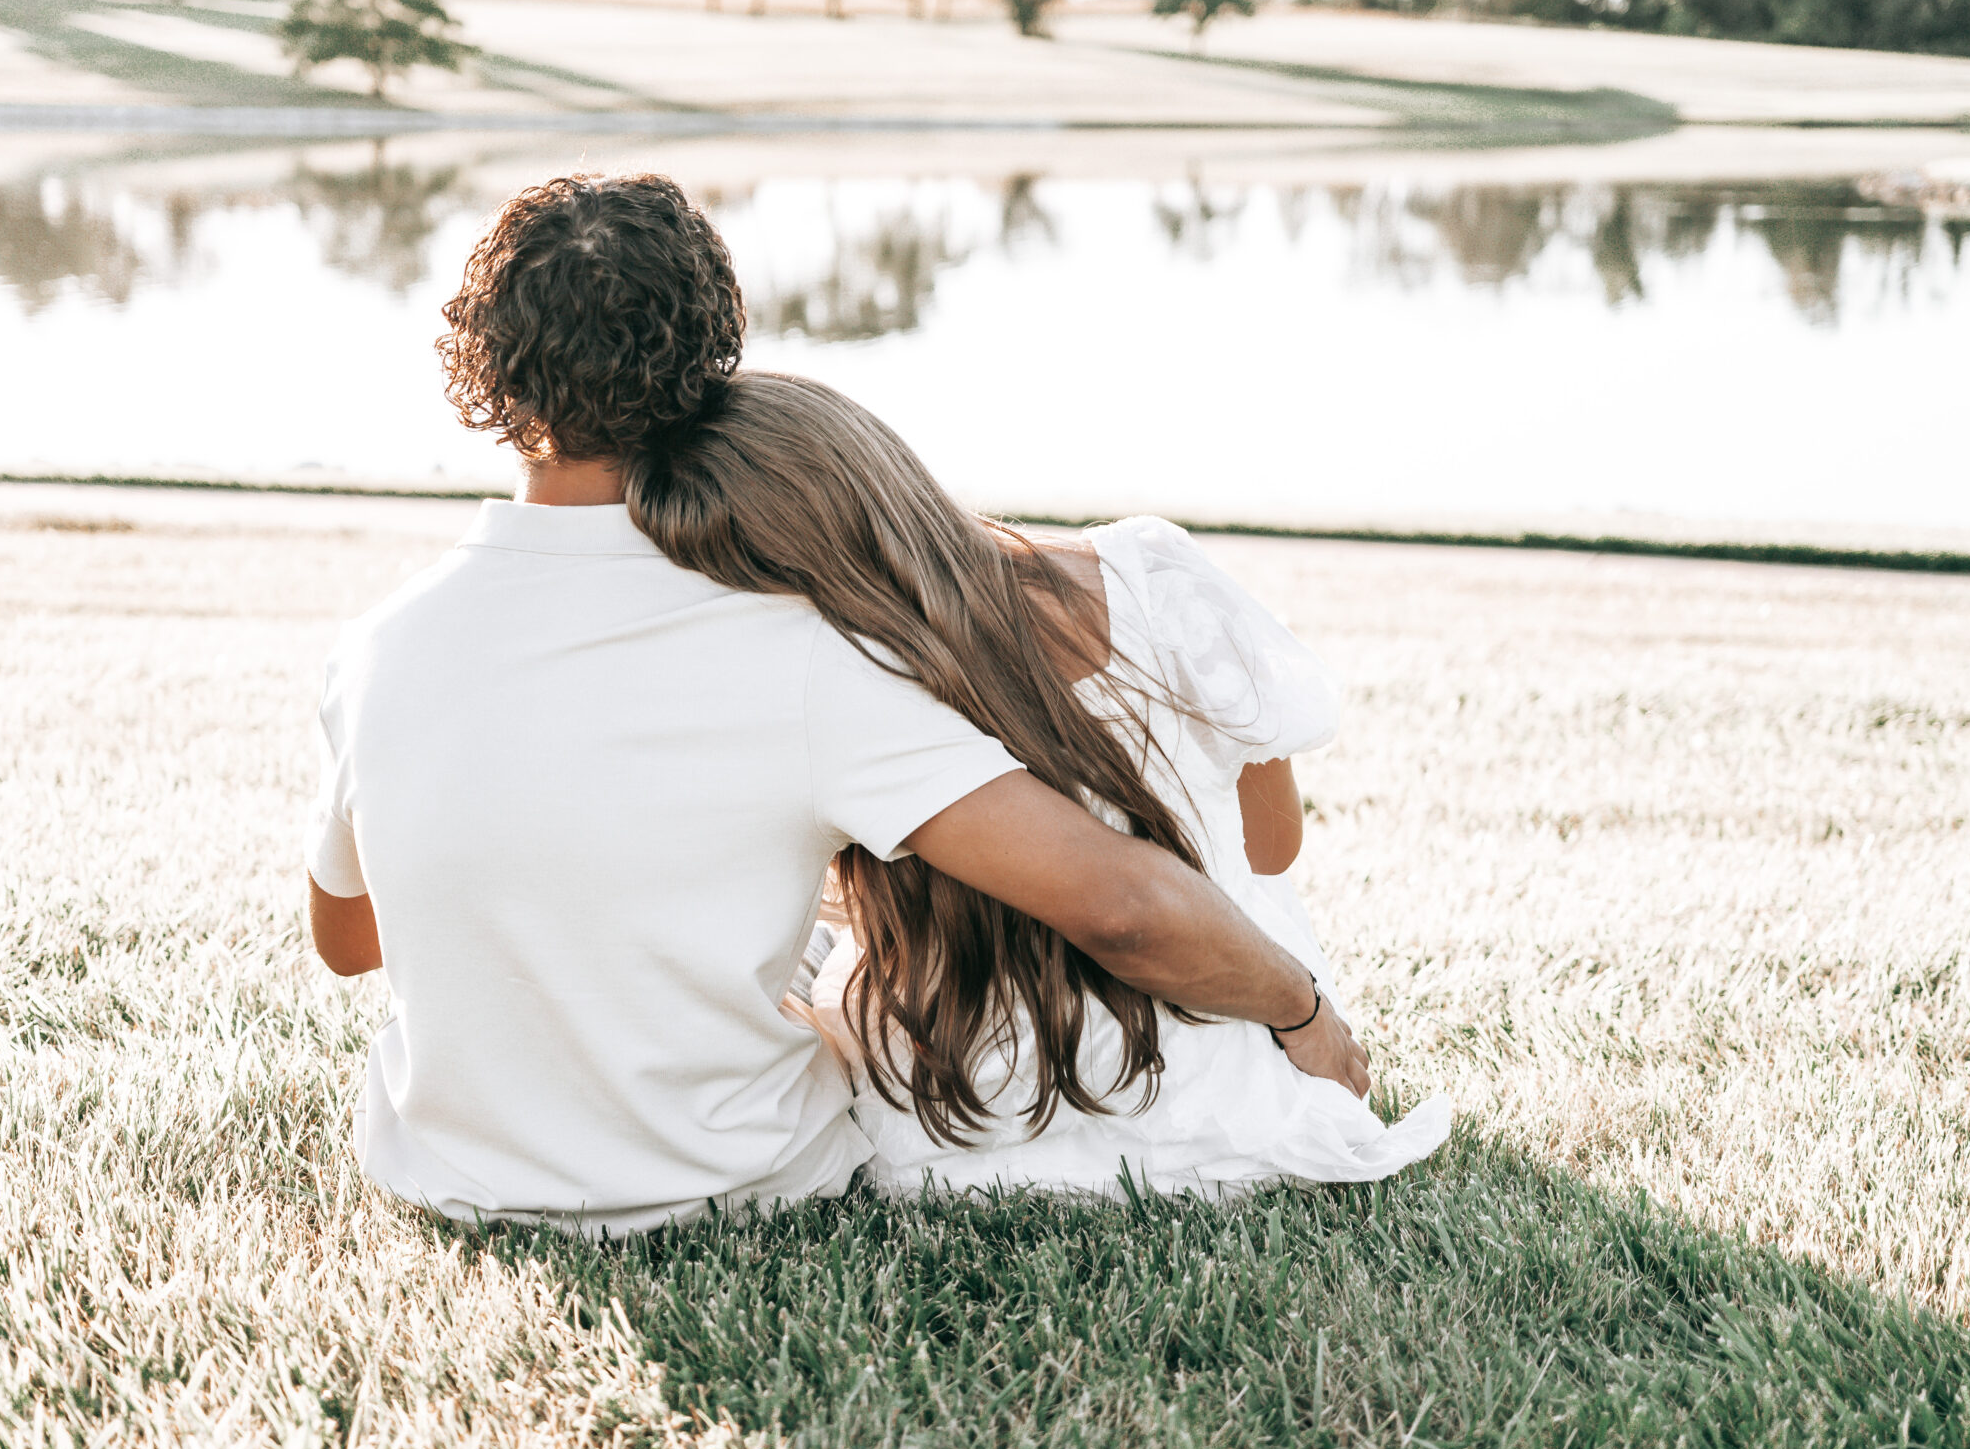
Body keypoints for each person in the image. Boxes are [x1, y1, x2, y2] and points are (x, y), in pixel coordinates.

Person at [303, 172, 1372, 1235]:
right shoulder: (795, 647)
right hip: (730, 1177)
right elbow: (1120, 906)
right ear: (712, 367)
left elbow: (351, 942)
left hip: (447, 1175)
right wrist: (1302, 1009)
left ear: (486, 374)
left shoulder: (376, 647)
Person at [629, 371, 1451, 1196]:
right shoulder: (1147, 573)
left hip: (953, 1121)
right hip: (1207, 1097)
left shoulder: (832, 680)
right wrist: (1301, 1011)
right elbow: (1272, 849)